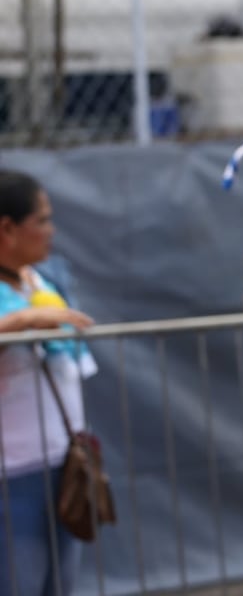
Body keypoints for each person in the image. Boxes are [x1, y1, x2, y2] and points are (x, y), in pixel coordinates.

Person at [0, 170, 96, 596]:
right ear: (7, 228)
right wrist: (21, 321)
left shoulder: (39, 281)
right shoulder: (22, 301)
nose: (50, 231)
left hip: (63, 463)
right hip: (14, 473)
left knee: (61, 585)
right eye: (41, 220)